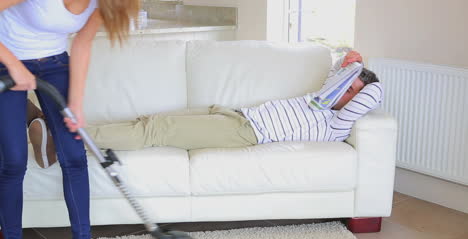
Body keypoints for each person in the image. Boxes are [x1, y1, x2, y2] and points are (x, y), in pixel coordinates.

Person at [0, 0, 139, 239]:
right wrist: (15, 65)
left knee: (74, 156)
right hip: (6, 61)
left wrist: (75, 102)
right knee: (13, 163)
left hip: (55, 64)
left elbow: (82, 44)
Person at [83, 51, 383, 151]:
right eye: (348, 85)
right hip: (234, 114)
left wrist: (362, 78)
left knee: (156, 130)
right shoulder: (322, 98)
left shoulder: (338, 124)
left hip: (245, 132)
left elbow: (373, 93)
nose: (347, 93)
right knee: (150, 120)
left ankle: (71, 137)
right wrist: (350, 64)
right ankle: (74, 127)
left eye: (354, 92)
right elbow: (340, 62)